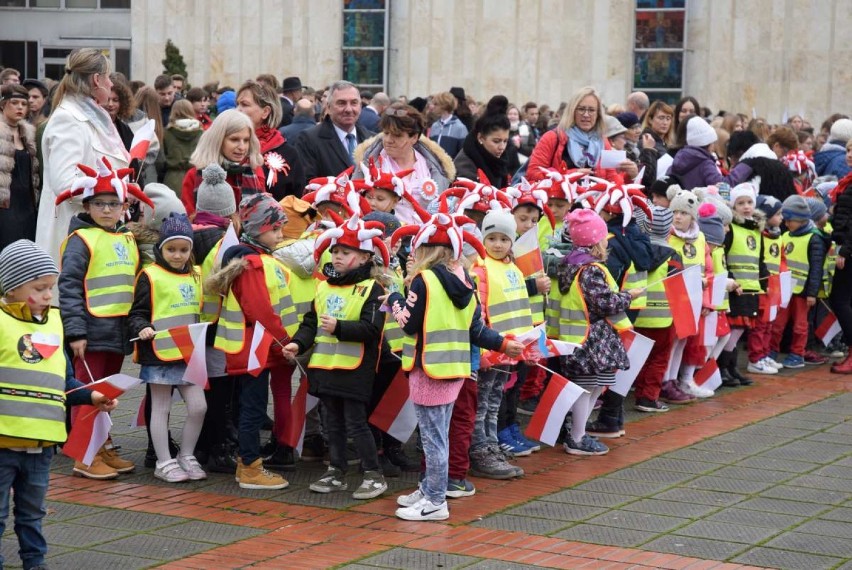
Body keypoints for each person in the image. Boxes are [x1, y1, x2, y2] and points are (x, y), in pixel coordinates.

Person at [389, 212, 523, 521]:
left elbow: (407, 324)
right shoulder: (466, 279)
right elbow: (476, 329)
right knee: (440, 435)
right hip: (454, 369)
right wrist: (503, 344)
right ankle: (428, 488)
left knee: (433, 438)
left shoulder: (424, 280)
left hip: (429, 370)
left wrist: (395, 297)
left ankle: (435, 500)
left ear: (424, 249)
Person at [0, 239, 118, 570]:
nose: (49, 296)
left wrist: (92, 395)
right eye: (40, 288)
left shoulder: (54, 322)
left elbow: (62, 380)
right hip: (3, 441)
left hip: (42, 445)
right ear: (11, 288)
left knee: (32, 516)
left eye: (51, 288)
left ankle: (35, 565)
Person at [58, 157, 154, 479]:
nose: (107, 210)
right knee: (89, 391)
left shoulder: (126, 238)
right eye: (100, 203)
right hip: (89, 330)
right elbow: (69, 286)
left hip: (117, 329)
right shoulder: (80, 241)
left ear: (124, 205)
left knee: (108, 392)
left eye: (114, 203)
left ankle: (103, 445)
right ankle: (85, 456)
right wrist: (75, 332)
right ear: (87, 205)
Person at [283, 214, 389, 500]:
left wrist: (339, 327)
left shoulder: (372, 289)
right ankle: (336, 471)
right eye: (336, 251)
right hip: (326, 368)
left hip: (355, 371)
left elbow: (371, 329)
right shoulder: (323, 286)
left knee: (356, 422)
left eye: (346, 252)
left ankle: (372, 474)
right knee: (333, 423)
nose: (338, 256)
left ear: (366, 257)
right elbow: (310, 323)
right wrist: (297, 344)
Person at [128, 213, 208, 483]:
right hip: (159, 353)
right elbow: (137, 312)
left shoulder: (197, 275)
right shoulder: (150, 275)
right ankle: (164, 461)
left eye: (184, 249)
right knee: (161, 408)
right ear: (161, 249)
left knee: (198, 406)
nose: (178, 255)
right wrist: (142, 327)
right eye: (171, 249)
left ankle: (186, 455)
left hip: (189, 352)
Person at [36, 48, 130, 268]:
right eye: (107, 77)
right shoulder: (69, 119)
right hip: (74, 234)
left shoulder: (89, 116)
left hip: (93, 232)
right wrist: (112, 192)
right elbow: (64, 183)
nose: (111, 84)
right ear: (96, 80)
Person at [557, 208, 640, 455]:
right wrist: (627, 296)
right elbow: (604, 303)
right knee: (587, 386)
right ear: (595, 242)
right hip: (590, 339)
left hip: (587, 338)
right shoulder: (590, 269)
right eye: (604, 237)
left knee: (594, 385)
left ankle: (579, 433)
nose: (607, 241)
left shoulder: (571, 264)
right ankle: (577, 437)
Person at [468, 210, 534, 478]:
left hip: (509, 349)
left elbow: (521, 310)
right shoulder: (480, 268)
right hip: (491, 349)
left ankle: (491, 443)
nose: (497, 244)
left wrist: (527, 347)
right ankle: (479, 449)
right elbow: (479, 312)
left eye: (503, 239)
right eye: (491, 238)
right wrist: (483, 351)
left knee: (495, 399)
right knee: (481, 402)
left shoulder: (514, 269)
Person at [353, 103, 455, 223]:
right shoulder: (370, 164)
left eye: (397, 135)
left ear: (414, 138)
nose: (388, 140)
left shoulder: (431, 165)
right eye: (386, 133)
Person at [633, 206, 683, 410]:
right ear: (668, 229)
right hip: (663, 317)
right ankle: (648, 397)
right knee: (658, 358)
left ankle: (634, 391)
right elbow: (678, 287)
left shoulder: (637, 251)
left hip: (637, 314)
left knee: (637, 357)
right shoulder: (673, 255)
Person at [526, 86, 627, 183]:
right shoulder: (552, 137)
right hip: (560, 199)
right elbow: (533, 174)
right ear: (572, 111)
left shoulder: (602, 142)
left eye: (591, 110)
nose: (586, 115)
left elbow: (611, 179)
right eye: (581, 109)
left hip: (593, 199)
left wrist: (629, 176)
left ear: (598, 114)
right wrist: (571, 175)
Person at [771, 195, 826, 368]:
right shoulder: (785, 235)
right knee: (778, 323)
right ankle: (771, 351)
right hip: (785, 289)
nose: (786, 224)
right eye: (785, 220)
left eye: (790, 220)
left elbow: (816, 268)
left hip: (803, 292)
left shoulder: (814, 238)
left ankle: (797, 354)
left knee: (800, 326)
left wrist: (812, 293)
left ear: (802, 219)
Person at [180, 109, 264, 218]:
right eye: (234, 139)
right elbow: (189, 218)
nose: (242, 147)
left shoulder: (254, 170)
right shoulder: (195, 175)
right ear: (218, 140)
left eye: (246, 140)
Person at [236, 80, 305, 200]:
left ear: (265, 112)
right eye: (237, 104)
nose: (238, 110)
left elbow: (297, 200)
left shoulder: (288, 153)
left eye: (245, 104)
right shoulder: (228, 144)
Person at [295, 80, 371, 180]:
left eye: (354, 103)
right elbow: (307, 184)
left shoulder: (371, 139)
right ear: (329, 108)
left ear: (360, 107)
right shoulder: (308, 140)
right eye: (341, 103)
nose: (348, 109)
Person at [0, 85, 39, 251]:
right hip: (5, 203)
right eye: (14, 102)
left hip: (27, 202)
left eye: (24, 104)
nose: (20, 107)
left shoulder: (29, 134)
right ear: (3, 104)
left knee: (28, 251)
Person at [669, 116, 753, 190]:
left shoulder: (679, 157)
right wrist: (745, 165)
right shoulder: (705, 163)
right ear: (708, 143)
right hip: (702, 206)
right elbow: (723, 187)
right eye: (713, 142)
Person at [454, 95, 517, 187]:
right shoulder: (465, 165)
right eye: (496, 141)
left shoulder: (500, 160)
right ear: (480, 138)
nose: (502, 147)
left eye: (505, 141)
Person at [828, 139, 852, 373]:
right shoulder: (847, 181)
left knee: (840, 300)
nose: (850, 155)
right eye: (848, 150)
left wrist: (844, 250)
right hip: (845, 246)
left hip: (849, 250)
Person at [162, 99, 203, 195]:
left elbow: (161, 159)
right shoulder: (201, 133)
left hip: (172, 179)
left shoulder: (166, 133)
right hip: (196, 178)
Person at [428, 91, 468, 158]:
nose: (433, 107)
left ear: (444, 106)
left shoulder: (460, 128)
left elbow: (463, 154)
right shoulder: (435, 126)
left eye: (436, 104)